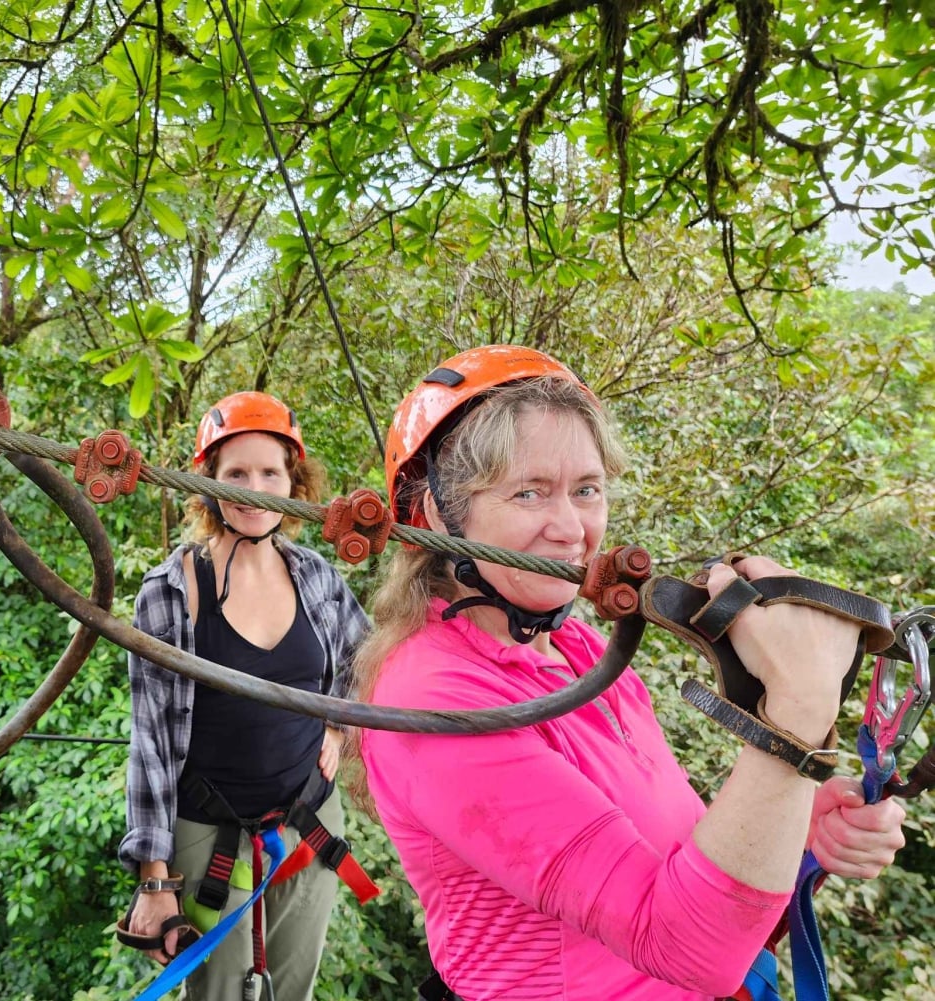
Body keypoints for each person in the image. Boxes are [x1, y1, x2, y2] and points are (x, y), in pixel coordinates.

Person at [352, 345, 908, 1001]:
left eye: (586, 489)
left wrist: (801, 821)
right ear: (439, 512)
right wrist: (798, 709)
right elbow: (686, 943)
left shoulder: (583, 650)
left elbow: (673, 851)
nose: (571, 529)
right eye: (529, 491)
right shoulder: (435, 702)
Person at [120, 391, 372, 1001]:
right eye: (236, 473)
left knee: (293, 989)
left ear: (292, 482)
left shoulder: (315, 577)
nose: (253, 488)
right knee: (216, 993)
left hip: (308, 821)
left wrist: (338, 729)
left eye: (269, 473)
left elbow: (366, 663)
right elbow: (151, 743)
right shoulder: (172, 593)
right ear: (208, 483)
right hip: (207, 832)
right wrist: (156, 880)